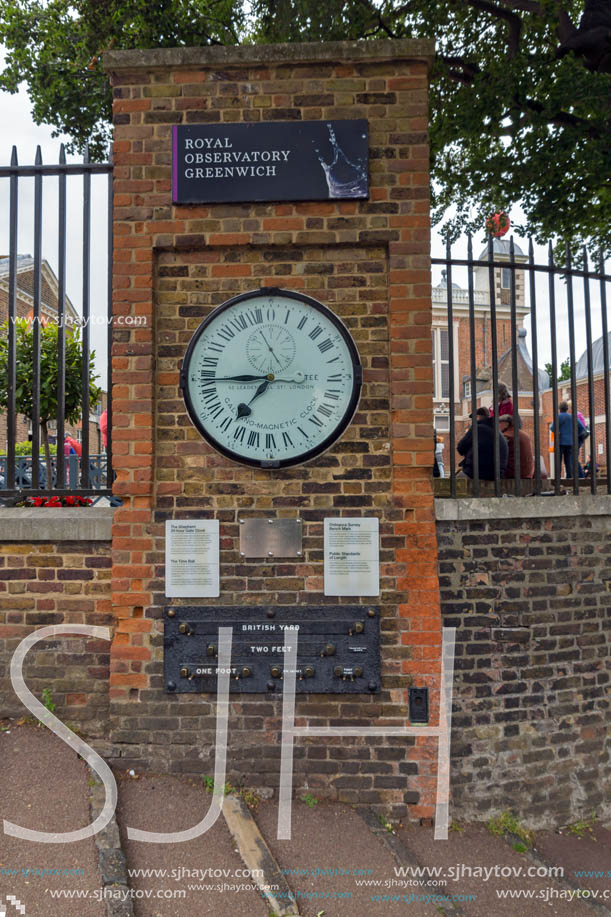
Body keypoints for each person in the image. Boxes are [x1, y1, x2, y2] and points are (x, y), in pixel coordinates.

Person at [457, 406, 508, 480]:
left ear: (478, 417)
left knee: (455, 482)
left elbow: (460, 448)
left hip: (478, 472)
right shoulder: (497, 430)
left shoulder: (477, 428)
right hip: (497, 473)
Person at [550, 401, 587, 478]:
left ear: (560, 409)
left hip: (560, 442)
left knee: (558, 461)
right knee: (568, 461)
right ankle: (569, 477)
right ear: (567, 408)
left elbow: (552, 428)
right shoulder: (573, 417)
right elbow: (583, 429)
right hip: (570, 443)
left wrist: (558, 431)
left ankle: (558, 478)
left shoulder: (558, 416)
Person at [499, 413, 534, 478]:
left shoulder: (506, 436)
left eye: (499, 424)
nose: (497, 426)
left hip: (514, 473)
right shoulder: (524, 434)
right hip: (528, 473)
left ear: (506, 424)